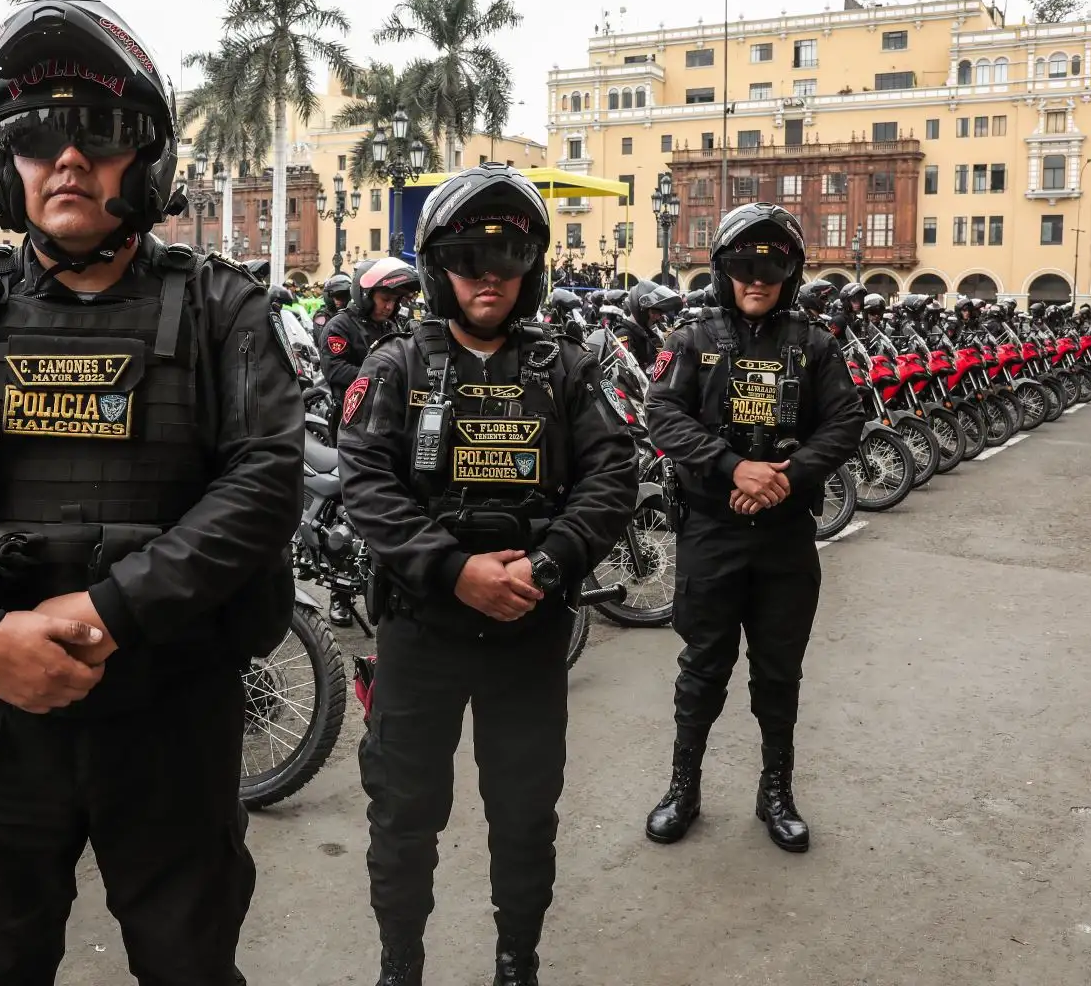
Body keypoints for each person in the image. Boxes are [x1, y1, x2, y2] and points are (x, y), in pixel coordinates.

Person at [0, 0, 300, 986]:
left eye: (100, 128)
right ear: (10, 164)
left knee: (189, 963)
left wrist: (114, 608)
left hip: (170, 709)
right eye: (38, 134)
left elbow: (265, 484)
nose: (70, 156)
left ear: (150, 156)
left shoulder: (226, 312)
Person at [340, 164, 636, 986]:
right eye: (470, 258)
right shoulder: (397, 366)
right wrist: (453, 570)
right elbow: (366, 484)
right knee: (403, 817)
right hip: (422, 630)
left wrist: (546, 565)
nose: (488, 278)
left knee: (524, 813)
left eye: (507, 261)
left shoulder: (566, 368)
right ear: (440, 266)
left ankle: (518, 962)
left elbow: (613, 476)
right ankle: (401, 965)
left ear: (530, 271)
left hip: (529, 630)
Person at [641, 202, 864, 853]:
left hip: (786, 538)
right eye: (744, 264)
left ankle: (777, 792)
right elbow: (662, 413)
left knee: (779, 674)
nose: (757, 277)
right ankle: (683, 788)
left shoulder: (817, 343)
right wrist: (733, 468)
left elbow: (844, 424)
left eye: (773, 264)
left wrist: (784, 478)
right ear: (723, 269)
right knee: (702, 670)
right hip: (711, 533)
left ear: (791, 271)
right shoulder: (691, 339)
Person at [321, 255, 418, 432]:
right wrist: (382, 378)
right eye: (385, 299)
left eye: (395, 301)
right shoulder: (340, 326)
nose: (390, 306)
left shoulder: (390, 326)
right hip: (352, 420)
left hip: (388, 418)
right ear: (366, 295)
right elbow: (335, 370)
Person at [315, 272, 352, 339]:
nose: (337, 300)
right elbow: (323, 339)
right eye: (334, 295)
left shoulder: (354, 314)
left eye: (342, 295)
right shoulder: (322, 316)